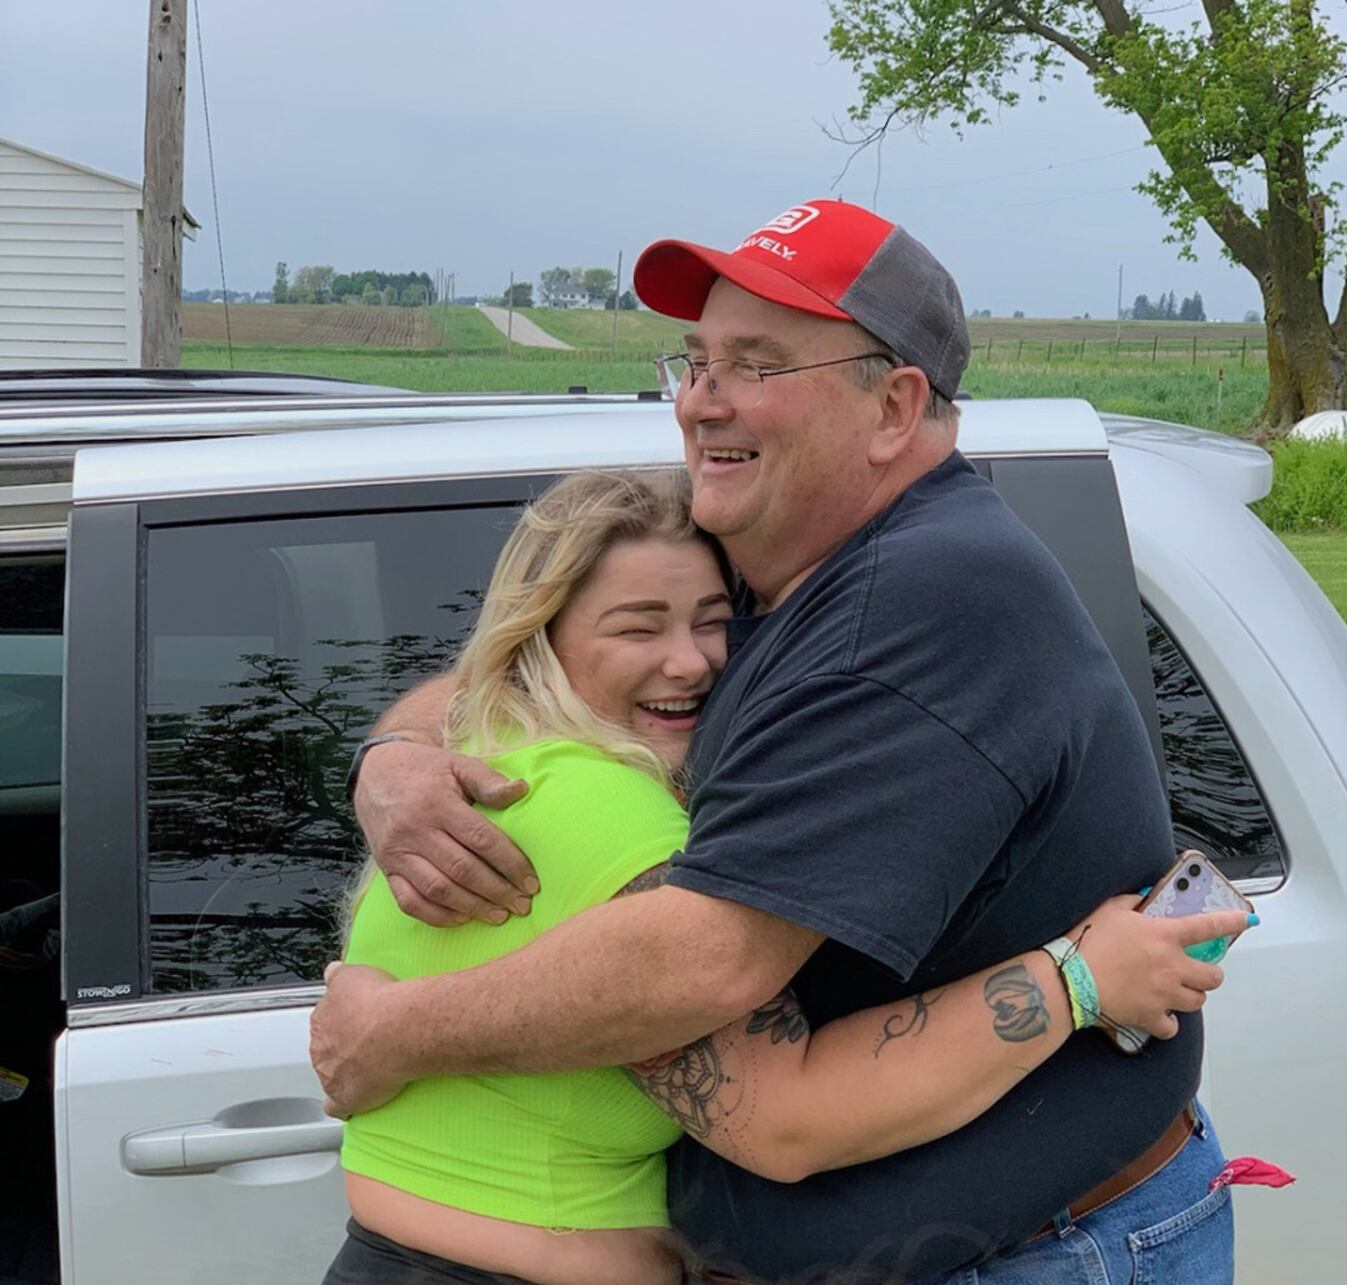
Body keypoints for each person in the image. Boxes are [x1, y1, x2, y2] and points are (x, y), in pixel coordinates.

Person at [313, 199, 1244, 1283]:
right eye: (695, 361)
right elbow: (536, 662)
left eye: (753, 363)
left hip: (1038, 1253)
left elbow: (706, 971)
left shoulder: (915, 605)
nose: (701, 400)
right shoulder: (773, 566)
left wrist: (395, 1032)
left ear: (893, 405)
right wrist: (396, 762)